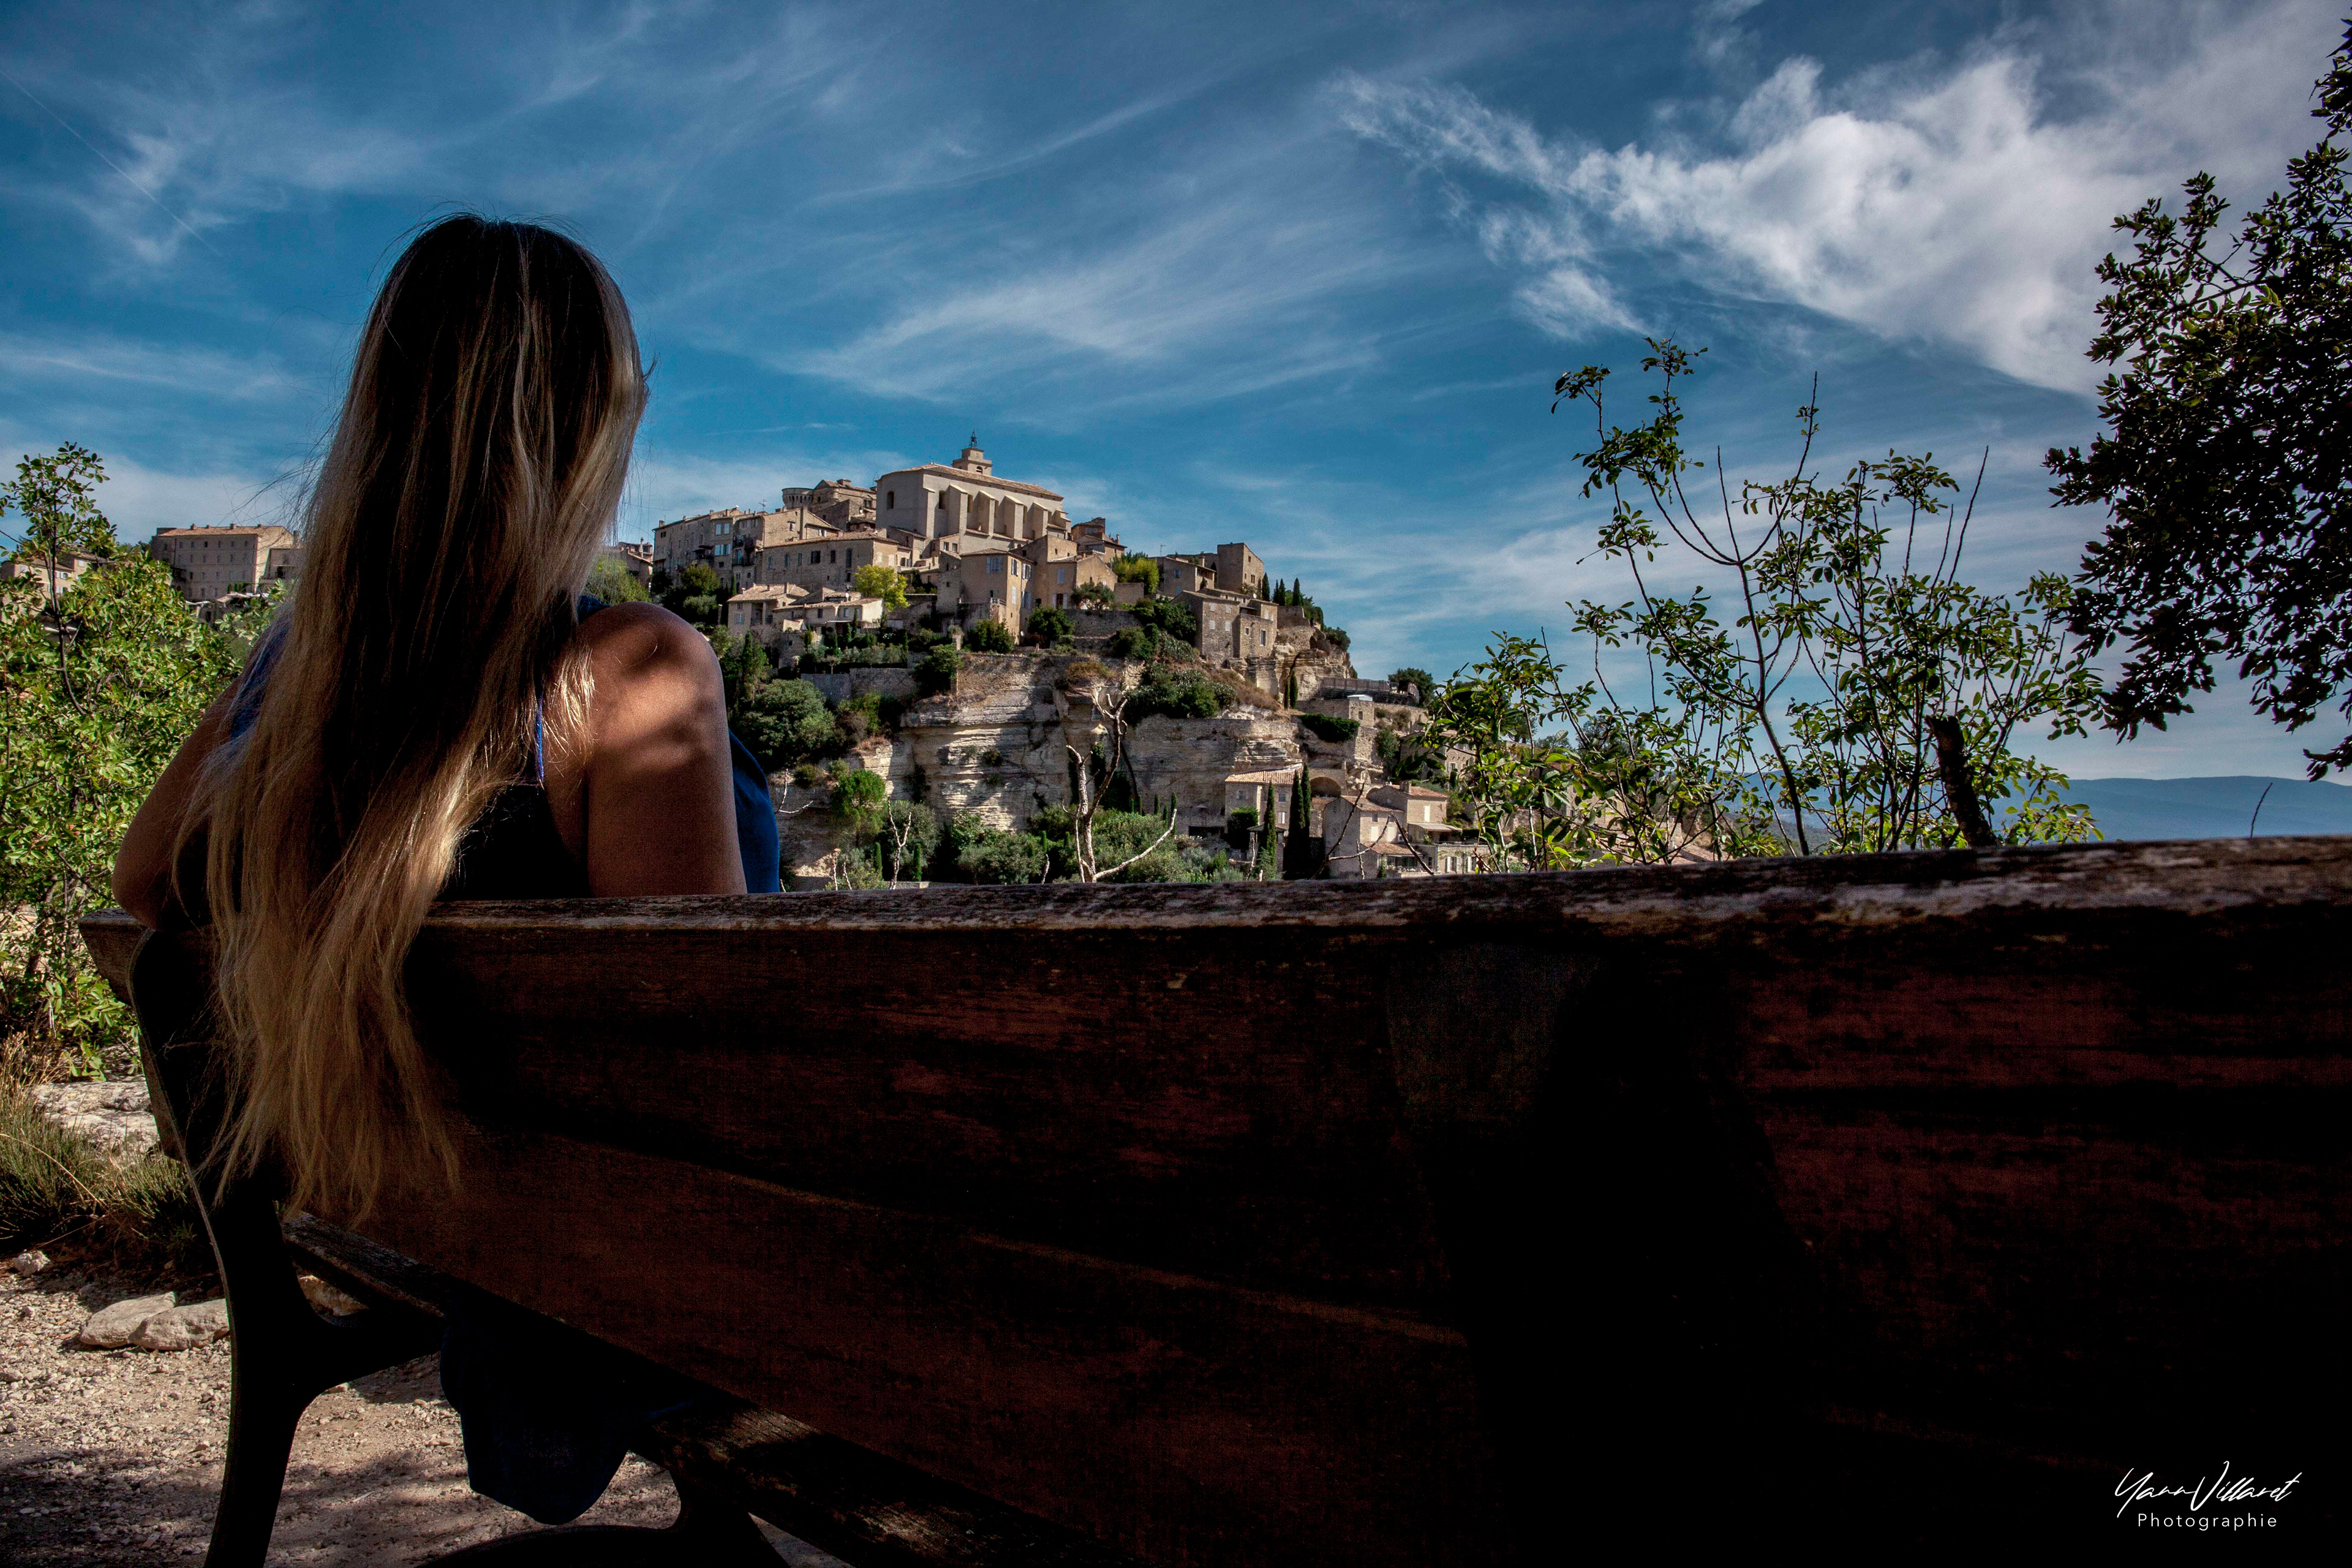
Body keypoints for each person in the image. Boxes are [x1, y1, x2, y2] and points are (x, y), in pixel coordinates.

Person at [110, 214, 778, 1523]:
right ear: (588, 429)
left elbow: (146, 884)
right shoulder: (631, 672)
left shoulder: (289, 689)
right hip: (595, 1308)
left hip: (422, 1229)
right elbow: (713, 1070)